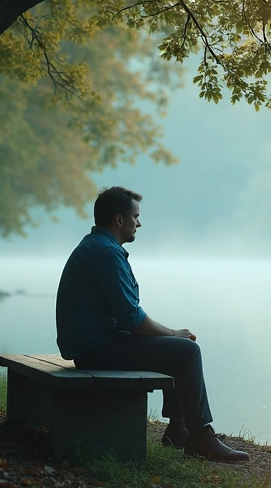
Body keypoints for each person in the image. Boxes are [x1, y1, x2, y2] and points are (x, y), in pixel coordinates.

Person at [54, 186, 248, 462]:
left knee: (176, 348)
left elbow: (127, 316)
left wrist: (169, 335)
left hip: (92, 343)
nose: (139, 223)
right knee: (187, 351)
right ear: (119, 219)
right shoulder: (105, 253)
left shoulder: (98, 247)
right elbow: (132, 319)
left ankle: (179, 429)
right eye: (135, 216)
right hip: (95, 348)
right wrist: (173, 333)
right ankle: (201, 437)